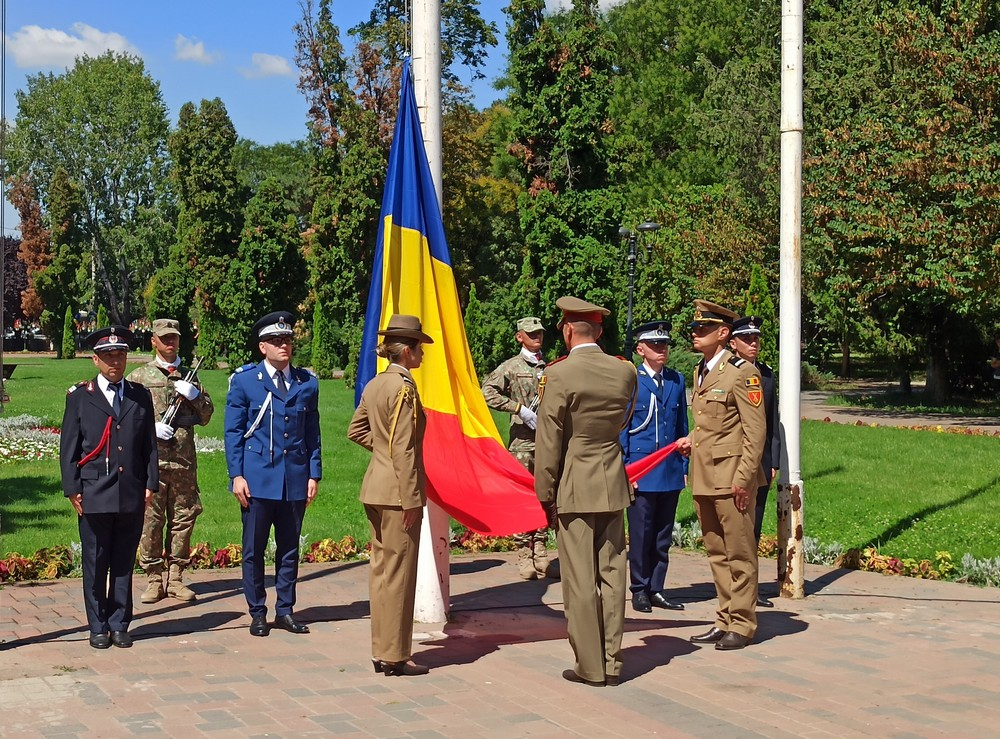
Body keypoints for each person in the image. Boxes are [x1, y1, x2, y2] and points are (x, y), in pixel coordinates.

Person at [534, 296, 637, 687]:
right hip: (612, 479)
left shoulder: (558, 375)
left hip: (574, 484)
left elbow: (550, 441)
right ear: (598, 330)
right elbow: (622, 421)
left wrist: (545, 493)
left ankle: (590, 667)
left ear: (567, 329)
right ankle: (612, 660)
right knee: (613, 574)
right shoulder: (624, 372)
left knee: (579, 580)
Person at [224, 311, 322, 637]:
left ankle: (285, 610)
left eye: (288, 340)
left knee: (289, 548)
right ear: (262, 347)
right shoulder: (245, 381)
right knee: (253, 549)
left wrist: (313, 474)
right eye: (277, 341)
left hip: (293, 477)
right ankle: (256, 611)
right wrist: (236, 475)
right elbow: (234, 433)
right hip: (257, 479)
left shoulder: (306, 384)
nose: (285, 346)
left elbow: (313, 433)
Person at [60, 327, 158, 649]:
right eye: (108, 356)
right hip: (93, 493)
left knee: (123, 563)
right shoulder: (80, 397)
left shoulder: (139, 396)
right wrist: (73, 488)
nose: (115, 361)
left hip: (130, 492)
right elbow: (69, 448)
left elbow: (148, 446)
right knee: (95, 561)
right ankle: (97, 625)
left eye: (120, 354)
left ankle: (120, 623)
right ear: (95, 359)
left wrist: (150, 483)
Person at [676, 300, 766, 651]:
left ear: (723, 333)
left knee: (740, 553)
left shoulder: (743, 372)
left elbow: (754, 432)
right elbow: (712, 424)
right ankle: (725, 617)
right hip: (704, 476)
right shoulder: (702, 371)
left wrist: (743, 479)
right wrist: (692, 440)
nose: (695, 334)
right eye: (695, 329)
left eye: (703, 329)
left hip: (731, 479)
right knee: (716, 552)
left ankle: (742, 624)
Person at [348, 314, 434, 677]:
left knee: (382, 572)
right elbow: (405, 449)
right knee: (399, 576)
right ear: (407, 350)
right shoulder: (404, 388)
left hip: (376, 487)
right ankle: (395, 655)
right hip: (398, 493)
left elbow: (357, 430)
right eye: (419, 349)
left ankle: (380, 648)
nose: (423, 356)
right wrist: (413, 497)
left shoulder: (375, 384)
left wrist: (380, 452)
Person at [128, 318, 214, 604]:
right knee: (150, 520)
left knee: (184, 517)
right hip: (150, 462)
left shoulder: (191, 376)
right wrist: (149, 428)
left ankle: (176, 577)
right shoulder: (138, 377)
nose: (170, 342)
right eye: (164, 338)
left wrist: (197, 396)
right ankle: (153, 578)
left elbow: (206, 416)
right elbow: (123, 420)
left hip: (183, 461)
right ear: (153, 340)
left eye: (174, 338)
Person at [620, 320, 688, 613]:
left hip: (669, 469)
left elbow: (681, 425)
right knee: (641, 534)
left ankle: (657, 588)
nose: (662, 350)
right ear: (640, 349)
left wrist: (683, 464)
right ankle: (639, 589)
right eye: (655, 345)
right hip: (641, 469)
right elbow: (622, 428)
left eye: (664, 345)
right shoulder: (632, 381)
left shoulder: (676, 380)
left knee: (662, 534)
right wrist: (625, 469)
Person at [481, 316, 555, 580]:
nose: (537, 338)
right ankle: (524, 551)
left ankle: (541, 549)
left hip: (549, 441)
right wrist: (518, 409)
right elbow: (487, 391)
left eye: (540, 334)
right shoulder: (511, 367)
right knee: (524, 495)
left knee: (547, 494)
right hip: (522, 443)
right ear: (519, 337)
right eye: (531, 334)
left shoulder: (551, 366)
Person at [730, 315, 782, 608]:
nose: (753, 344)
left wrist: (773, 459)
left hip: (760, 461)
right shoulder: (729, 372)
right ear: (733, 343)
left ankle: (751, 589)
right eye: (747, 339)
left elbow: (772, 420)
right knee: (736, 527)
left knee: (754, 526)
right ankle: (733, 588)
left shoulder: (766, 374)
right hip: (736, 460)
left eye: (756, 339)